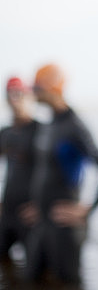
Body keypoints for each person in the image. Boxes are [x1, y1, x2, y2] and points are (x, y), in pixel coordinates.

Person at [22, 63, 98, 285]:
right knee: (32, 286)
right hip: (42, 223)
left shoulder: (75, 127)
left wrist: (86, 212)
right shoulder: (49, 123)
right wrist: (38, 202)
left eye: (37, 87)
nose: (33, 92)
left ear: (52, 88)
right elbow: (45, 170)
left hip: (64, 228)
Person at [0, 77, 39, 263]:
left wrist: (41, 206)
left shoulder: (40, 131)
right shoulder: (5, 133)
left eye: (19, 94)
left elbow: (56, 174)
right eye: (10, 94)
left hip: (30, 215)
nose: (15, 99)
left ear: (29, 96)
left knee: (35, 273)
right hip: (6, 212)